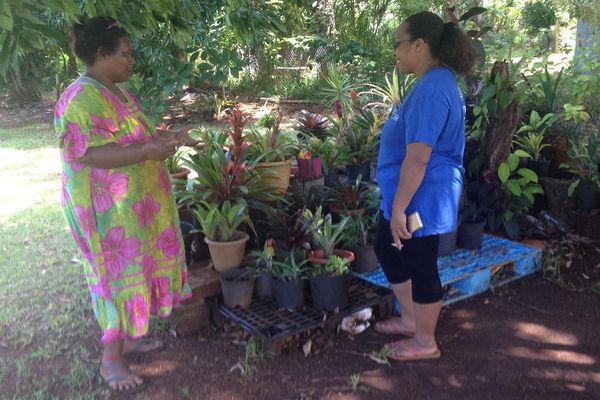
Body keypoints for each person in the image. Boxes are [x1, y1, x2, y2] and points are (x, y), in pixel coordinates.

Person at [55, 17, 198, 391]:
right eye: (125, 54)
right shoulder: (79, 98)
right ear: (101, 55)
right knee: (116, 279)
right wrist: (147, 150)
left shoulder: (116, 90)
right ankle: (111, 361)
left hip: (133, 211)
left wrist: (169, 139)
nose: (131, 61)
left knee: (138, 270)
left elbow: (136, 138)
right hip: (106, 216)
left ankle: (131, 338)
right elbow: (88, 153)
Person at [373, 11, 475, 361]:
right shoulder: (433, 83)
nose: (395, 52)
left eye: (398, 44)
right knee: (385, 244)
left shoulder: (433, 90)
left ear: (420, 45)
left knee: (419, 259)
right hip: (414, 194)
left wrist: (400, 208)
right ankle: (411, 320)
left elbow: (418, 159)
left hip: (422, 197)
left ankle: (425, 342)